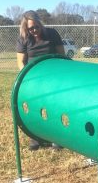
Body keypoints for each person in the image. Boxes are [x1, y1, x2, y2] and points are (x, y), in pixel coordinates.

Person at [16, 10, 65, 150]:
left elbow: (61, 55)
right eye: (31, 28)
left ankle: (56, 138)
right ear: (26, 28)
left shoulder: (52, 34)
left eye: (37, 26)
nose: (35, 30)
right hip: (34, 78)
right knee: (35, 107)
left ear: (40, 24)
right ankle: (35, 138)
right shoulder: (23, 39)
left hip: (53, 76)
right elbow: (21, 63)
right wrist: (28, 78)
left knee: (54, 106)